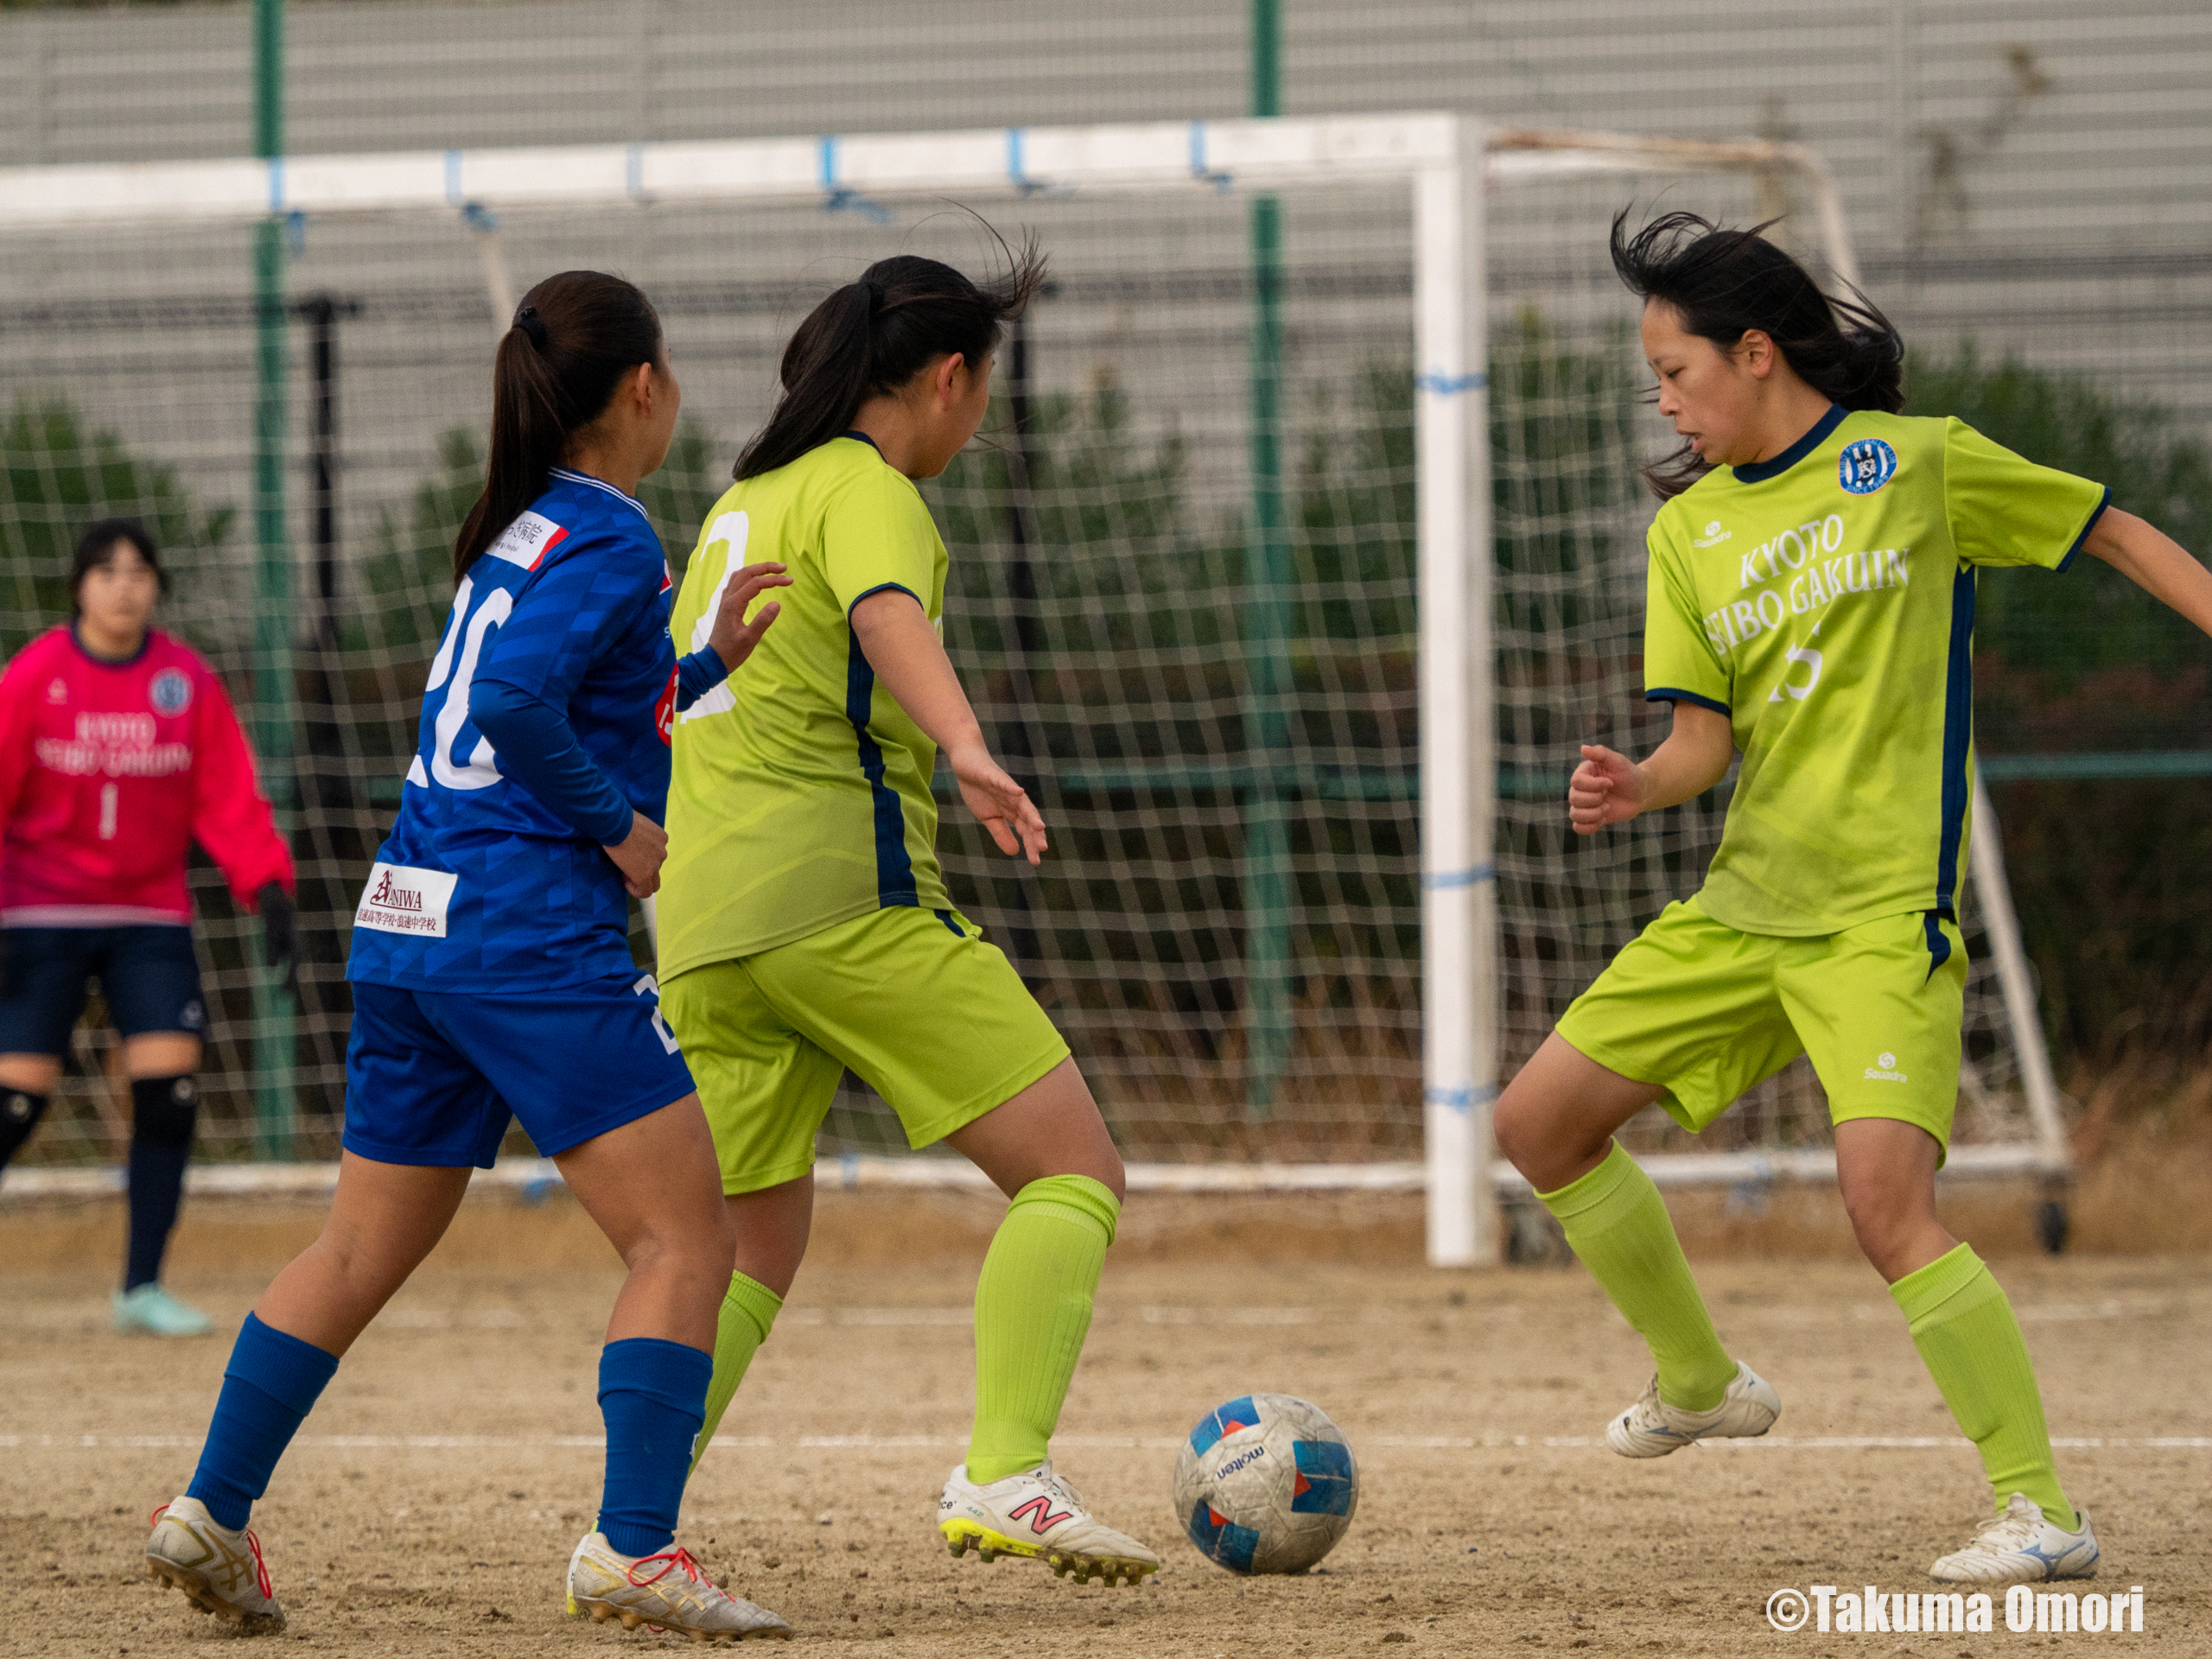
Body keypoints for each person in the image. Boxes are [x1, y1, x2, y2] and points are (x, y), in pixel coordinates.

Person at [1491, 211, 2212, 1588]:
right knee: (1537, 1125)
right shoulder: (1691, 530)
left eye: (1674, 373)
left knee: (1885, 1208)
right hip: (1745, 909)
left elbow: (2114, 533)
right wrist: (1638, 785)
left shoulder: (1917, 465)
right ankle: (1700, 1380)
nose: (1664, 403)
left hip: (1882, 920)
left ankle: (2040, 1513)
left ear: (1755, 352)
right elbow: (1702, 743)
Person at [143, 270, 796, 1639]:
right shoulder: (612, 533)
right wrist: (617, 827)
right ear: (643, 386)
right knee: (687, 1235)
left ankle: (211, 1506)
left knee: (354, 1250)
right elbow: (511, 702)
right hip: (523, 935)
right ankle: (635, 1550)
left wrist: (705, 666)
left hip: (410, 923)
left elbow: (566, 695)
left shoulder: (522, 530)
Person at [656, 244, 1159, 1587]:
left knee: (744, 1245)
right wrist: (968, 745)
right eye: (981, 387)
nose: (976, 419)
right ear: (948, 377)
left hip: (702, 919)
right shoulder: (866, 487)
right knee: (1073, 1171)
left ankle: (632, 1525)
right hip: (838, 899)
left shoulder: (740, 502)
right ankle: (1005, 1471)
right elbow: (886, 615)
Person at [0, 518, 295, 1337]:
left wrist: (267, 885)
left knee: (169, 1096)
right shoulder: (36, 676)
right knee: (15, 1104)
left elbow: (227, 794)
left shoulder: (184, 681)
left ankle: (140, 1289)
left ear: (158, 586)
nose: (124, 586)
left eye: (139, 572)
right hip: (40, 914)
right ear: (78, 587)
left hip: (148, 917)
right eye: (106, 571)